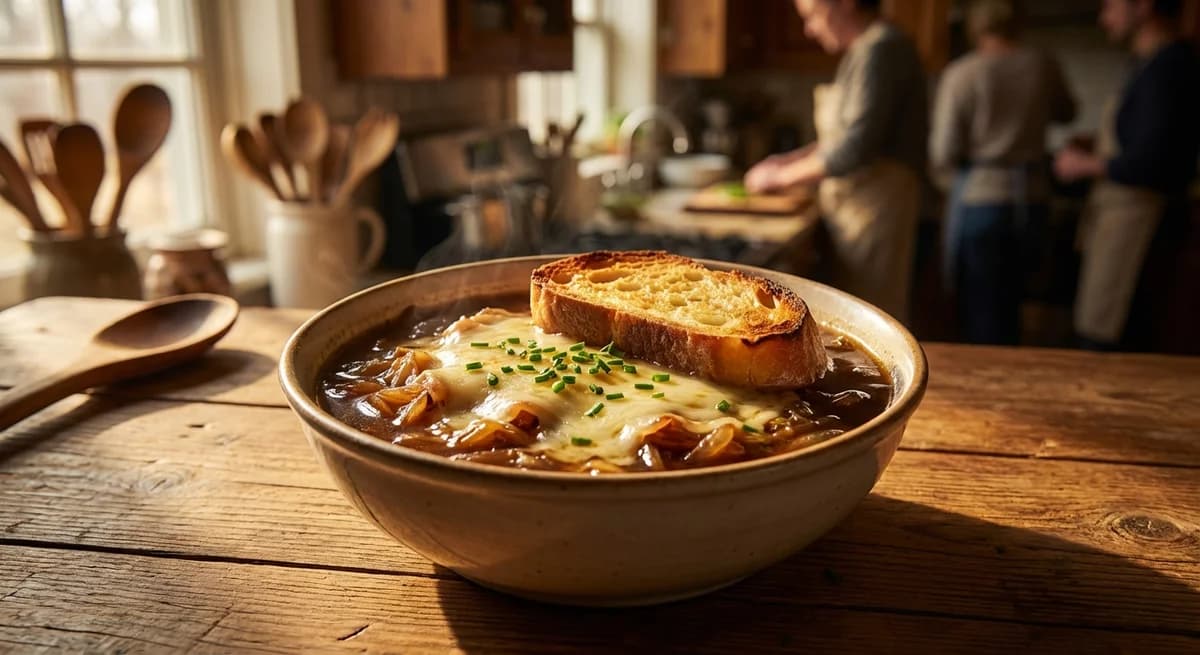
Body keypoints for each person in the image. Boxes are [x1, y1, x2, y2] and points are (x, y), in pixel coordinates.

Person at [744, 0, 927, 323]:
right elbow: (840, 138)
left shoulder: (881, 50)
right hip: (857, 208)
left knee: (872, 317)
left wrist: (778, 178)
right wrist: (788, 160)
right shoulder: (864, 50)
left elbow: (855, 148)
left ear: (844, 4)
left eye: (812, 15)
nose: (809, 29)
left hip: (875, 209)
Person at [1054, 0, 1200, 350]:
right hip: (1119, 215)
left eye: (1110, 6)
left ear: (1144, 6)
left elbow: (1156, 162)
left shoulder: (1170, 66)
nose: (1103, 17)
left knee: (1113, 343)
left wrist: (1085, 165)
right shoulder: (1147, 64)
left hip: (1141, 221)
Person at [930, 0, 1077, 345]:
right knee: (1017, 307)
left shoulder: (963, 73)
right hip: (1033, 197)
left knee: (981, 311)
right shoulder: (1043, 64)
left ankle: (986, 393)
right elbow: (1067, 112)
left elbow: (942, 151)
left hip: (981, 201)